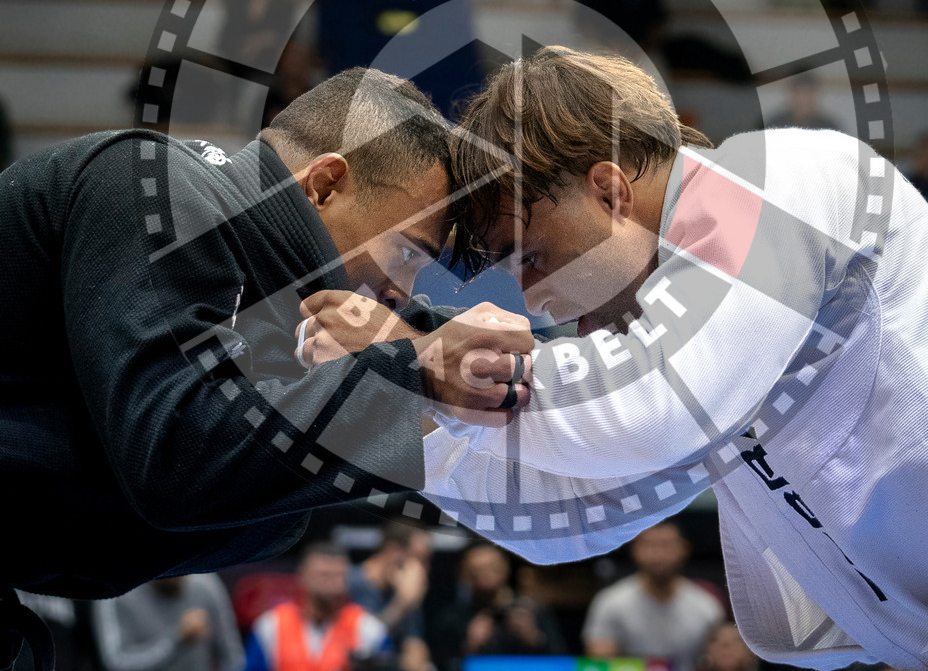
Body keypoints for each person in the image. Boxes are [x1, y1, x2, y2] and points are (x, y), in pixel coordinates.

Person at [305, 47, 928, 670]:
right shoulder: (699, 333)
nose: (530, 298)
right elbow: (577, 513)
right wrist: (405, 406)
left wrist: (432, 362)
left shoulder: (779, 180)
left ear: (609, 190)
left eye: (532, 255)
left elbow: (649, 405)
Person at [0, 66, 534, 610]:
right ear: (324, 186)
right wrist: (412, 374)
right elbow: (174, 466)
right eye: (405, 253)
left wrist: (459, 361)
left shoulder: (266, 294)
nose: (400, 289)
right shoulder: (152, 184)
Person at [582, 521, 723, 671]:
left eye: (666, 545)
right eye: (649, 545)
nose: (658, 554)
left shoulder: (707, 606)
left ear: (684, 549)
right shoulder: (610, 603)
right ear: (634, 549)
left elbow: (720, 663)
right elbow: (599, 664)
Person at [243, 543, 388, 671]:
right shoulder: (270, 626)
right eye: (323, 575)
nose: (331, 583)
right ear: (302, 575)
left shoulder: (369, 630)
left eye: (338, 576)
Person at [430, 544, 563, 671]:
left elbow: (564, 662)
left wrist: (535, 639)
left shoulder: (533, 612)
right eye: (476, 570)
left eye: (492, 567)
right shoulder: (452, 618)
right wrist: (470, 645)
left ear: (506, 566)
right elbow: (440, 664)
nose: (485, 575)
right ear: (464, 573)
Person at [93, 575, 243, 671]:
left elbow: (232, 655)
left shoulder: (205, 585)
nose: (176, 575)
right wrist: (176, 640)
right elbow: (116, 663)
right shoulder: (117, 595)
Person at [346, 528, 430, 671]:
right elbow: (362, 642)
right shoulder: (350, 582)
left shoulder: (404, 591)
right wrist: (401, 605)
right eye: (418, 558)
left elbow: (414, 644)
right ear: (392, 550)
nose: (421, 570)